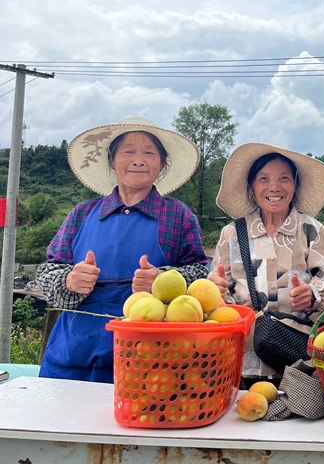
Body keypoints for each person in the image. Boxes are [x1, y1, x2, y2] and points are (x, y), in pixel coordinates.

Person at [36, 117, 208, 383]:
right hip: (72, 354)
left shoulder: (177, 215)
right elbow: (47, 271)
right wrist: (69, 280)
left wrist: (162, 281)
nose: (138, 160)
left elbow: (200, 275)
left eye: (149, 153)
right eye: (128, 151)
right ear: (112, 160)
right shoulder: (82, 213)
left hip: (150, 360)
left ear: (161, 164)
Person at [208, 144, 324, 387]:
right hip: (243, 362)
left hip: (297, 360)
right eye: (264, 179)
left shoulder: (310, 230)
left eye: (284, 178)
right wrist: (217, 293)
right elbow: (219, 290)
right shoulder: (232, 234)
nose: (274, 187)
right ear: (252, 186)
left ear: (295, 185)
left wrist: (312, 295)